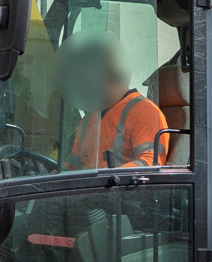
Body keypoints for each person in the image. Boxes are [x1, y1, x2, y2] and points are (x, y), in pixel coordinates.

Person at [59, 37, 168, 170]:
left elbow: (151, 163)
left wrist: (108, 177)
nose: (80, 84)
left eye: (83, 76)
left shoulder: (144, 112)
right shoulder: (88, 119)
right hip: (91, 188)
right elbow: (72, 165)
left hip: (121, 190)